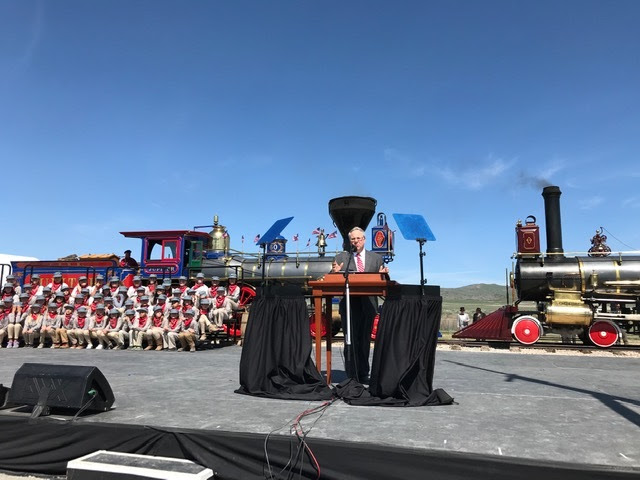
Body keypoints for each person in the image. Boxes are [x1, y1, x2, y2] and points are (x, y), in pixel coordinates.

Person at [330, 226, 389, 383]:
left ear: (364, 239)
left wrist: (384, 276)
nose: (356, 241)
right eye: (353, 239)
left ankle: (363, 372)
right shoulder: (342, 257)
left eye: (358, 238)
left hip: (368, 304)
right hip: (349, 304)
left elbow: (381, 280)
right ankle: (351, 374)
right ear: (350, 241)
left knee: (364, 340)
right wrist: (335, 273)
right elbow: (334, 279)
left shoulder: (376, 258)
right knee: (350, 339)